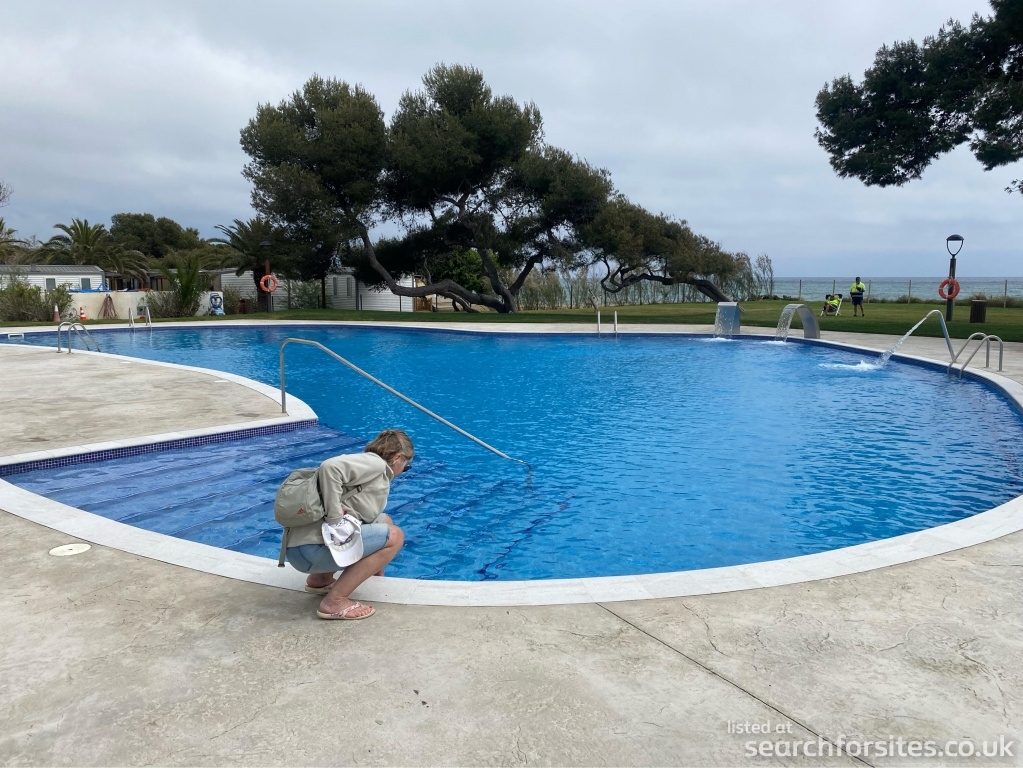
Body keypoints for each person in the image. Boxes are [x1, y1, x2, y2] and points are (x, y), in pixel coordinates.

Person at [284, 428, 413, 620]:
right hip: (311, 551)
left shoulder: (369, 470)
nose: (403, 471)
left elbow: (366, 517)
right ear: (397, 457)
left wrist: (375, 565)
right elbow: (330, 467)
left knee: (384, 521)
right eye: (406, 466)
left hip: (300, 551)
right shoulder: (375, 464)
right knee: (396, 536)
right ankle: (334, 602)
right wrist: (335, 519)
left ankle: (321, 579)